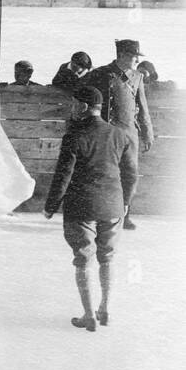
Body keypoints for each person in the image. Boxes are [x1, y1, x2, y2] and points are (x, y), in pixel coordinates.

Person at [44, 86, 137, 332]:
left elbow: (63, 176)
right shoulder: (120, 135)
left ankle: (89, 315)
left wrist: (50, 206)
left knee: (83, 259)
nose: (72, 108)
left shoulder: (73, 137)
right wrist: (125, 201)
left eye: (74, 104)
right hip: (114, 207)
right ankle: (105, 309)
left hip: (81, 207)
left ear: (84, 107)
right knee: (107, 257)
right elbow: (131, 174)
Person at [85, 39, 155, 230]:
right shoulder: (100, 74)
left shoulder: (138, 76)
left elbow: (142, 106)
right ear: (122, 55)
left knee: (130, 174)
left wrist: (147, 132)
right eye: (133, 56)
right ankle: (101, 215)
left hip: (129, 133)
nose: (136, 60)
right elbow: (83, 95)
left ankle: (125, 215)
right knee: (104, 173)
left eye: (136, 57)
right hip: (106, 133)